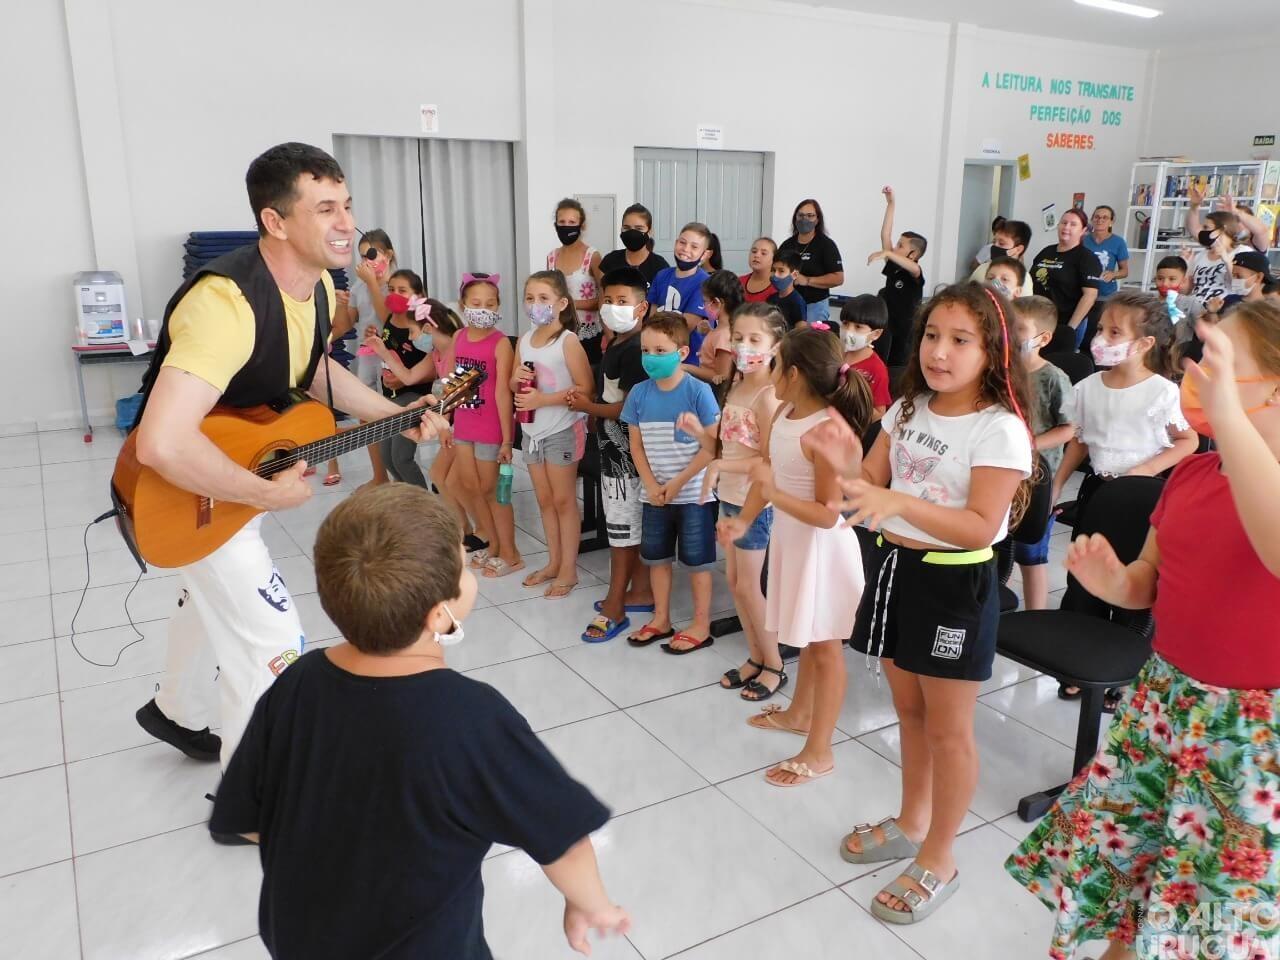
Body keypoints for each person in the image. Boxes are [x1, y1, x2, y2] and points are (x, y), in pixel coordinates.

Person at [210, 485, 630, 959]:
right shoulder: (470, 716)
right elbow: (561, 834)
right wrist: (591, 904)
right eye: (464, 567)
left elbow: (249, 817)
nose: (469, 573)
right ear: (439, 614)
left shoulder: (297, 683)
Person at [131, 142, 446, 771]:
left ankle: (174, 709)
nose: (348, 224)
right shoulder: (226, 304)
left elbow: (313, 370)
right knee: (273, 643)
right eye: (325, 209)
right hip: (185, 479)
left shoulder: (319, 288)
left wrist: (392, 414)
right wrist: (265, 492)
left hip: (230, 472)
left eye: (347, 205)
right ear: (275, 221)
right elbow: (162, 443)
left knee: (210, 598)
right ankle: (250, 798)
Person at [1006, 304, 1280, 960]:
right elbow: (1146, 583)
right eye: (1199, 362)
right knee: (1136, 872)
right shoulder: (1191, 476)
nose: (1196, 377)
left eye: (1219, 366)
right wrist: (1112, 583)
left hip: (1248, 734)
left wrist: (1230, 418)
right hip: (1164, 702)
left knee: (1204, 910)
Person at [833, 282, 1033, 924]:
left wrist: (896, 501)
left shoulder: (999, 429)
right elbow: (869, 482)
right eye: (931, 336)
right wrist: (839, 464)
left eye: (960, 340)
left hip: (955, 583)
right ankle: (911, 822)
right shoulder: (908, 409)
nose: (939, 352)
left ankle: (940, 857)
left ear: (993, 350)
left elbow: (978, 526)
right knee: (909, 710)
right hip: (896, 570)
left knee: (948, 730)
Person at [729, 329, 872, 785]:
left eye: (774, 364)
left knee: (826, 649)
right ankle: (798, 715)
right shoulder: (785, 412)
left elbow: (829, 515)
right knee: (809, 638)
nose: (768, 371)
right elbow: (768, 472)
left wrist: (775, 497)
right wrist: (745, 519)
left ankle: (820, 750)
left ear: (792, 373)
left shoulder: (827, 431)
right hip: (793, 542)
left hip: (823, 552)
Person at [681, 303, 787, 699]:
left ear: (776, 346)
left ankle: (774, 664)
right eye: (738, 338)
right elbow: (726, 447)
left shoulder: (769, 395)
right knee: (736, 585)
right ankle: (755, 656)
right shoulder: (737, 386)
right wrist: (698, 433)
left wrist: (721, 465)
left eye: (755, 339)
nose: (744, 347)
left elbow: (769, 462)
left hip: (753, 504)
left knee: (748, 588)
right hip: (729, 498)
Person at [621, 312, 720, 653]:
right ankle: (661, 618)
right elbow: (635, 446)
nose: (650, 358)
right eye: (645, 350)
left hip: (693, 494)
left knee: (697, 562)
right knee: (657, 558)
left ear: (682, 352)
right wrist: (651, 485)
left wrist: (677, 484)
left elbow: (712, 447)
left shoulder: (698, 391)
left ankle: (701, 624)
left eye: (660, 351)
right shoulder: (638, 393)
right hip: (655, 495)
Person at [1054, 291, 1198, 516]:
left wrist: (1148, 468)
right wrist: (1057, 484)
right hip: (1097, 490)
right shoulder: (1088, 386)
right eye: (1100, 329)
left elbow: (1188, 440)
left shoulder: (1162, 391)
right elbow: (1080, 440)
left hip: (1142, 492)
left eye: (1114, 332)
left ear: (1144, 343)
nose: (1100, 339)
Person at [570, 268, 654, 643]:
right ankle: (641, 591)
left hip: (626, 459)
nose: (612, 307)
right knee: (630, 526)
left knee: (622, 532)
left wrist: (587, 407)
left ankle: (615, 607)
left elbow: (627, 409)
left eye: (622, 301)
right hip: (613, 452)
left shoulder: (635, 350)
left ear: (642, 307)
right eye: (607, 300)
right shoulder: (619, 343)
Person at [513, 270, 593, 598]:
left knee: (563, 501)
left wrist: (543, 400)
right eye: (530, 298)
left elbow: (585, 389)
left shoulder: (567, 341)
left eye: (543, 298)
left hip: (562, 429)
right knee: (544, 500)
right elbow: (513, 383)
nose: (536, 304)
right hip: (531, 430)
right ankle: (553, 562)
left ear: (561, 303)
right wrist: (517, 379)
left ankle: (568, 570)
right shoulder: (524, 340)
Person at [369, 298, 474, 535]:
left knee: (451, 480)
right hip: (453, 423)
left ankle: (473, 530)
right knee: (441, 477)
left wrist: (445, 425)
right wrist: (383, 352)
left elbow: (456, 392)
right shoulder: (436, 353)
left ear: (427, 328)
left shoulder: (457, 346)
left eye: (412, 332)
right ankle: (463, 528)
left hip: (466, 424)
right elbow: (408, 377)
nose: (410, 338)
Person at [452, 273, 523, 579]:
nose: (483, 309)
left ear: (498, 306)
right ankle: (493, 544)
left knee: (493, 491)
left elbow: (502, 393)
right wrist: (447, 421)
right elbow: (454, 385)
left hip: (490, 427)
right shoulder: (459, 337)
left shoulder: (500, 343)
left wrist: (507, 439)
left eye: (490, 304)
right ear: (463, 305)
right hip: (463, 424)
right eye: (476, 303)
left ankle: (511, 553)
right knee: (471, 487)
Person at [1009, 296, 1075, 612]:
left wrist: (1030, 443)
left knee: (1030, 554)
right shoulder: (1002, 371)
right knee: (999, 546)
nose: (1010, 334)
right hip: (1004, 471)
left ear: (1043, 338)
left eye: (1019, 329)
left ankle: (1035, 617)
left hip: (1037, 478)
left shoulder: (1054, 378)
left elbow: (1069, 429)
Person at [330, 228, 396, 487]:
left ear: (388, 254)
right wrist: (340, 304)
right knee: (366, 415)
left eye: (371, 254)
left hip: (394, 360)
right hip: (368, 360)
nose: (366, 262)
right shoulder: (359, 287)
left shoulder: (399, 285)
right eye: (362, 256)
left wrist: (372, 284)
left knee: (393, 415)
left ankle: (399, 475)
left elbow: (388, 319)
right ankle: (379, 476)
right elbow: (345, 325)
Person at [361, 269, 433, 489]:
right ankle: (406, 501)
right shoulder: (389, 318)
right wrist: (373, 338)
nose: (395, 295)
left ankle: (424, 503)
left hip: (414, 396)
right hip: (389, 395)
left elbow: (437, 367)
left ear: (419, 296)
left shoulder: (424, 326)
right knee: (387, 458)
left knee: (401, 458)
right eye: (391, 289)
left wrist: (403, 380)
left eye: (402, 290)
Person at [870, 186, 927, 379]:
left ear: (913, 254)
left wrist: (887, 253)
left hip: (904, 333)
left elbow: (914, 269)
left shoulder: (915, 272)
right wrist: (891, 203)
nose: (894, 247)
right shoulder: (894, 265)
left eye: (900, 246)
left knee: (897, 372)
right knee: (880, 365)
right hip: (887, 327)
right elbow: (885, 234)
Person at [1031, 208, 1104, 352]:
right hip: (1039, 321)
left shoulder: (1087, 258)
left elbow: (1090, 296)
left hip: (1065, 323)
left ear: (1083, 230)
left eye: (1073, 224)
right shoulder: (1046, 252)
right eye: (1064, 223)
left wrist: (1070, 329)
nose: (1066, 227)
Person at [549, 198, 604, 364]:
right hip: (558, 332)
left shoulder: (592, 256)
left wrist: (571, 304)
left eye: (572, 222)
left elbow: (605, 296)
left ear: (582, 225)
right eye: (562, 222)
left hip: (588, 335)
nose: (566, 226)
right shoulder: (552, 257)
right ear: (556, 224)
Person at [647, 222, 711, 361]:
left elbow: (686, 327)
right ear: (676, 243)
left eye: (694, 247)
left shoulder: (705, 282)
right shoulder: (661, 275)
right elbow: (652, 317)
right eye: (682, 242)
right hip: (657, 354)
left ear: (705, 254)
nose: (686, 249)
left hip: (688, 361)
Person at [777, 199, 844, 325]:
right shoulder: (787, 245)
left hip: (815, 305)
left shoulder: (826, 245)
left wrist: (807, 280)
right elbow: (776, 270)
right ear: (795, 219)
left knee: (809, 336)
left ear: (817, 220)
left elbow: (838, 278)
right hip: (788, 302)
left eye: (810, 215)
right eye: (800, 215)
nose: (804, 219)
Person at [838, 294, 892, 423]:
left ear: (876, 334)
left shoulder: (877, 369)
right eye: (845, 323)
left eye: (858, 327)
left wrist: (851, 403)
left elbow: (879, 413)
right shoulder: (835, 352)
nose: (848, 331)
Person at [688, 269, 743, 391]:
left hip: (717, 393)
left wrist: (686, 368)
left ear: (717, 302)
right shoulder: (722, 330)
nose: (704, 306)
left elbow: (722, 376)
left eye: (705, 301)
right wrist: (710, 332)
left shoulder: (723, 335)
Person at [598, 203, 669, 289]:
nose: (632, 233)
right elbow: (602, 295)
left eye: (639, 228)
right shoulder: (610, 261)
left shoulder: (660, 266)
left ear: (649, 232)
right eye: (627, 228)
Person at [1155, 255, 1206, 365]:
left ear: (1183, 281)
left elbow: (1205, 332)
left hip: (1178, 360)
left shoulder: (1190, 303)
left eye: (1172, 279)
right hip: (1153, 357)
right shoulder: (1148, 302)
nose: (1165, 284)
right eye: (1160, 278)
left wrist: (1211, 313)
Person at [969, 219, 1033, 296]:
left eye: (1001, 243)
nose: (995, 246)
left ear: (1018, 249)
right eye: (994, 242)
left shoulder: (1024, 279)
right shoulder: (981, 269)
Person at [769, 249, 809, 328]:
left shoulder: (797, 303)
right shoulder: (771, 298)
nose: (775, 275)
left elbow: (800, 332)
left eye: (781, 271)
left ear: (795, 275)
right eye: (773, 270)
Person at [740, 236, 778, 304]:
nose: (756, 255)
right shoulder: (738, 282)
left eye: (763, 253)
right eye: (754, 251)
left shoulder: (778, 287)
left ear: (774, 258)